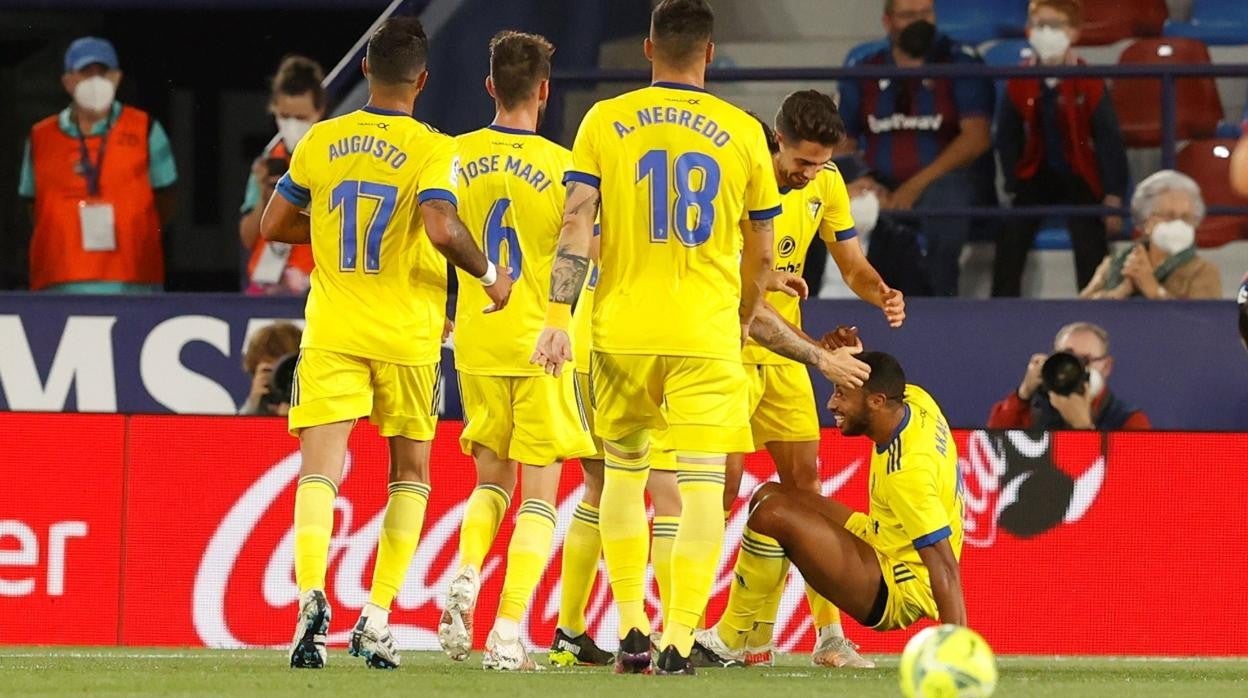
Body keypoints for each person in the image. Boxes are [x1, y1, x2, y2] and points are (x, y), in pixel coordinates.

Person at [531, 0, 783, 674]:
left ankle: (631, 626)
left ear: (647, 49)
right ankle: (677, 637)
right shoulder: (741, 131)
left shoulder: (604, 120)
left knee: (622, 476)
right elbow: (763, 253)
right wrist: (743, 312)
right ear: (709, 51)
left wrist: (557, 320)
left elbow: (576, 226)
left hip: (621, 333)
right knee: (701, 491)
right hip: (705, 333)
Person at [259, 16, 513, 670]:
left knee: (320, 469)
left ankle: (310, 595)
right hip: (407, 335)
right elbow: (438, 224)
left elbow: (275, 222)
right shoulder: (433, 147)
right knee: (411, 474)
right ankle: (375, 617)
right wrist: (488, 275)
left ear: (366, 70)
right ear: (422, 80)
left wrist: (337, 224)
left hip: (334, 327)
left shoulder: (323, 139)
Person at [705, 92, 904, 669]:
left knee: (806, 494)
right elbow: (730, 275)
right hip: (732, 350)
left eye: (819, 163)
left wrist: (881, 292)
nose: (809, 173)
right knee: (719, 490)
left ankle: (828, 636)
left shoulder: (826, 182)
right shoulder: (738, 175)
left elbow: (852, 265)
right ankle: (687, 628)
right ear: (777, 138)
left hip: (789, 355)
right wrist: (769, 282)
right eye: (801, 161)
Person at [433, 31, 596, 672]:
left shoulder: (454, 154)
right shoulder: (565, 168)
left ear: (489, 86)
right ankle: (506, 632)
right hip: (543, 342)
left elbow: (437, 233)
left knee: (490, 480)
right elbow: (581, 254)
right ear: (546, 91)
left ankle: (468, 571)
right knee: (539, 496)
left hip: (476, 338)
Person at [693, 352, 967, 667]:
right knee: (768, 495)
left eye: (841, 395)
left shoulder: (908, 473)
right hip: (883, 540)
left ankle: (729, 640)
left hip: (896, 589)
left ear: (876, 402)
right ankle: (756, 643)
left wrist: (958, 655)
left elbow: (946, 568)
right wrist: (854, 356)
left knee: (774, 514)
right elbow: (881, 376)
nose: (831, 405)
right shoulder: (916, 401)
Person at [837, 0, 993, 297]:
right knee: (839, 202)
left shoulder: (961, 62)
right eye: (908, 15)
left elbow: (976, 138)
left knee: (947, 206)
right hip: (880, 179)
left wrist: (914, 186)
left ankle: (939, 306)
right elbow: (841, 140)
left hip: (943, 180)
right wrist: (862, 178)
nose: (919, 21)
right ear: (888, 21)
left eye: (926, 14)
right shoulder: (865, 69)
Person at [19, 36, 177, 293]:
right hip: (59, 281)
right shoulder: (41, 137)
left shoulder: (145, 129)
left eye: (102, 73)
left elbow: (166, 199)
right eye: (85, 73)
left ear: (117, 78)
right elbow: (33, 203)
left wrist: (136, 232)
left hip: (131, 280)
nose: (95, 81)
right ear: (68, 82)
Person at [993, 0, 1128, 297]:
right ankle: (1001, 307)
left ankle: (1095, 304)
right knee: (1011, 235)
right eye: (1039, 25)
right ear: (1029, 31)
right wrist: (1014, 182)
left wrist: (1113, 194)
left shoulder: (1090, 81)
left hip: (1079, 175)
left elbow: (1109, 140)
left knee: (1089, 237)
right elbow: (1007, 137)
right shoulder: (1018, 80)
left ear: (1074, 33)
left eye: (1054, 25)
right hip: (1034, 174)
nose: (1045, 32)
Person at [238, 56, 325, 296]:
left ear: (318, 111)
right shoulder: (265, 164)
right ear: (274, 109)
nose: (292, 126)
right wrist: (265, 197)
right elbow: (247, 238)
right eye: (285, 117)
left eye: (300, 118)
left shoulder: (334, 159)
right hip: (264, 287)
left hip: (315, 287)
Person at [1080, 170, 1222, 300]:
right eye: (1169, 216)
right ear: (1146, 220)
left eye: (1186, 218)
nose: (1178, 224)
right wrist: (1120, 292)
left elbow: (1203, 322)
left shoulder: (1203, 271)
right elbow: (1080, 310)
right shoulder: (1114, 265)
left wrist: (1155, 291)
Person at [987, 322, 1150, 430]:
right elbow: (994, 447)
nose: (1076, 369)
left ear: (1106, 366)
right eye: (1067, 358)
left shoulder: (1129, 420)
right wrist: (1024, 393)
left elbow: (1130, 477)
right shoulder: (1036, 408)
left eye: (1086, 360)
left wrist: (1084, 428)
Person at [239, 321, 303, 416]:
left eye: (285, 369)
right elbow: (239, 430)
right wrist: (253, 404)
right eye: (270, 371)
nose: (279, 378)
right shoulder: (252, 409)